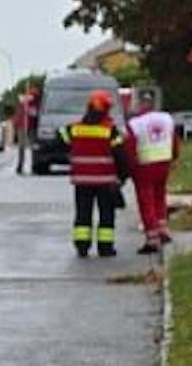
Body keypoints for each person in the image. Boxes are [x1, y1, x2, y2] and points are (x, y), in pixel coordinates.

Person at [60, 89, 131, 258]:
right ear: (106, 109)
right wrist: (123, 177)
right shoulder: (110, 131)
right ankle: (105, 248)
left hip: (82, 181)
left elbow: (60, 137)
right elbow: (121, 156)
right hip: (105, 181)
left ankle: (82, 247)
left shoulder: (75, 129)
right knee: (106, 215)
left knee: (83, 214)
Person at [125, 92, 180, 254]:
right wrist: (174, 157)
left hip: (144, 165)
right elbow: (174, 139)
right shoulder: (166, 119)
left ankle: (152, 238)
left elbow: (129, 146)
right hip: (164, 162)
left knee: (146, 201)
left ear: (139, 105)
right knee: (159, 196)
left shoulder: (135, 123)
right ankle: (163, 230)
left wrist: (129, 167)